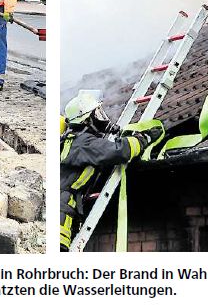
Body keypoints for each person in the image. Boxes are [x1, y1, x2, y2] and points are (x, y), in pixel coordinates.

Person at [60, 90, 160, 252]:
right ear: (87, 119)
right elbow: (120, 151)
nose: (102, 117)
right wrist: (144, 138)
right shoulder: (83, 143)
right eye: (97, 113)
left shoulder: (71, 140)